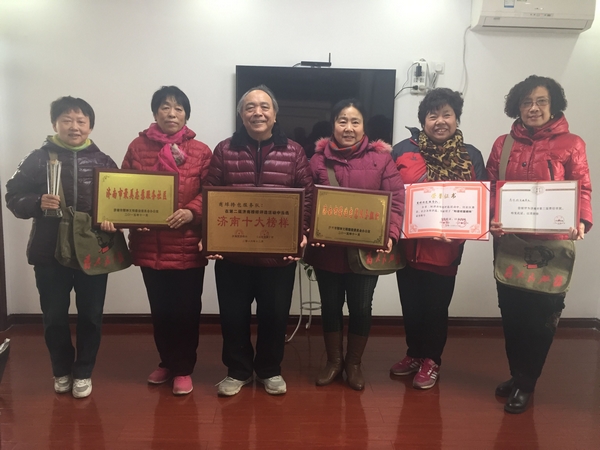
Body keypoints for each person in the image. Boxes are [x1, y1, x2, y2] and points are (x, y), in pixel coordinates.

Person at [486, 75, 592, 413]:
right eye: (526, 102)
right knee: (512, 314)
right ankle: (518, 374)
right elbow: (491, 188)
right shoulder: (502, 144)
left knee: (541, 318)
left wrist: (582, 221)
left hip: (551, 247)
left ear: (553, 104)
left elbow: (583, 188)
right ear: (517, 107)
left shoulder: (572, 143)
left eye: (541, 101)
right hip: (510, 243)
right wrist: (492, 217)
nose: (533, 108)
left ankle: (526, 382)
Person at [203, 85, 313, 396]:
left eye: (265, 106)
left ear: (275, 114)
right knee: (233, 316)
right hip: (233, 256)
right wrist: (212, 239)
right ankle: (237, 370)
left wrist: (301, 234)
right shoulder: (224, 150)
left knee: (275, 317)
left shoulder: (294, 151)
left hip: (278, 256)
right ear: (241, 115)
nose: (258, 112)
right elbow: (210, 192)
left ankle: (269, 370)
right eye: (250, 107)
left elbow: (307, 196)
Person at [5, 96, 118, 398]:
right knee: (54, 315)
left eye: (81, 121)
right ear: (55, 123)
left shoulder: (104, 161)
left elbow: (118, 202)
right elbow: (12, 196)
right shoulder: (37, 159)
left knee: (91, 315)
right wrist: (37, 202)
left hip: (92, 250)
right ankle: (61, 370)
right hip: (49, 251)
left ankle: (83, 371)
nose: (74, 126)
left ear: (90, 126)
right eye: (67, 120)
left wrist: (114, 220)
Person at [107, 86, 212, 395]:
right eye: (165, 107)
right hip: (150, 245)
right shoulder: (138, 147)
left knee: (187, 310)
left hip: (187, 244)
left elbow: (210, 192)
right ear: (155, 113)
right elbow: (124, 188)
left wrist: (191, 213)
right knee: (160, 309)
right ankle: (167, 361)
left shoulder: (201, 151)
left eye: (178, 108)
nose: (172, 113)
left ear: (187, 115)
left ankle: (184, 368)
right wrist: (130, 217)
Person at [304, 99, 405, 391]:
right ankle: (334, 362)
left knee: (361, 307)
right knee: (330, 307)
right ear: (333, 125)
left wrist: (391, 234)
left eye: (355, 122)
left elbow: (396, 200)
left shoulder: (381, 160)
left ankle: (354, 363)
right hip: (328, 251)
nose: (348, 128)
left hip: (366, 251)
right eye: (342, 121)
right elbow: (307, 201)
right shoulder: (317, 161)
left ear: (364, 127)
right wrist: (308, 230)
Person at [390, 88, 486, 389]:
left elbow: (482, 202)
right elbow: (390, 195)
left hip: (446, 249)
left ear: (456, 118)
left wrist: (462, 231)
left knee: (435, 308)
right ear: (423, 121)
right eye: (433, 116)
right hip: (407, 247)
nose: (440, 121)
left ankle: (432, 360)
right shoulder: (402, 151)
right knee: (410, 306)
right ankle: (414, 353)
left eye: (447, 114)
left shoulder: (470, 155)